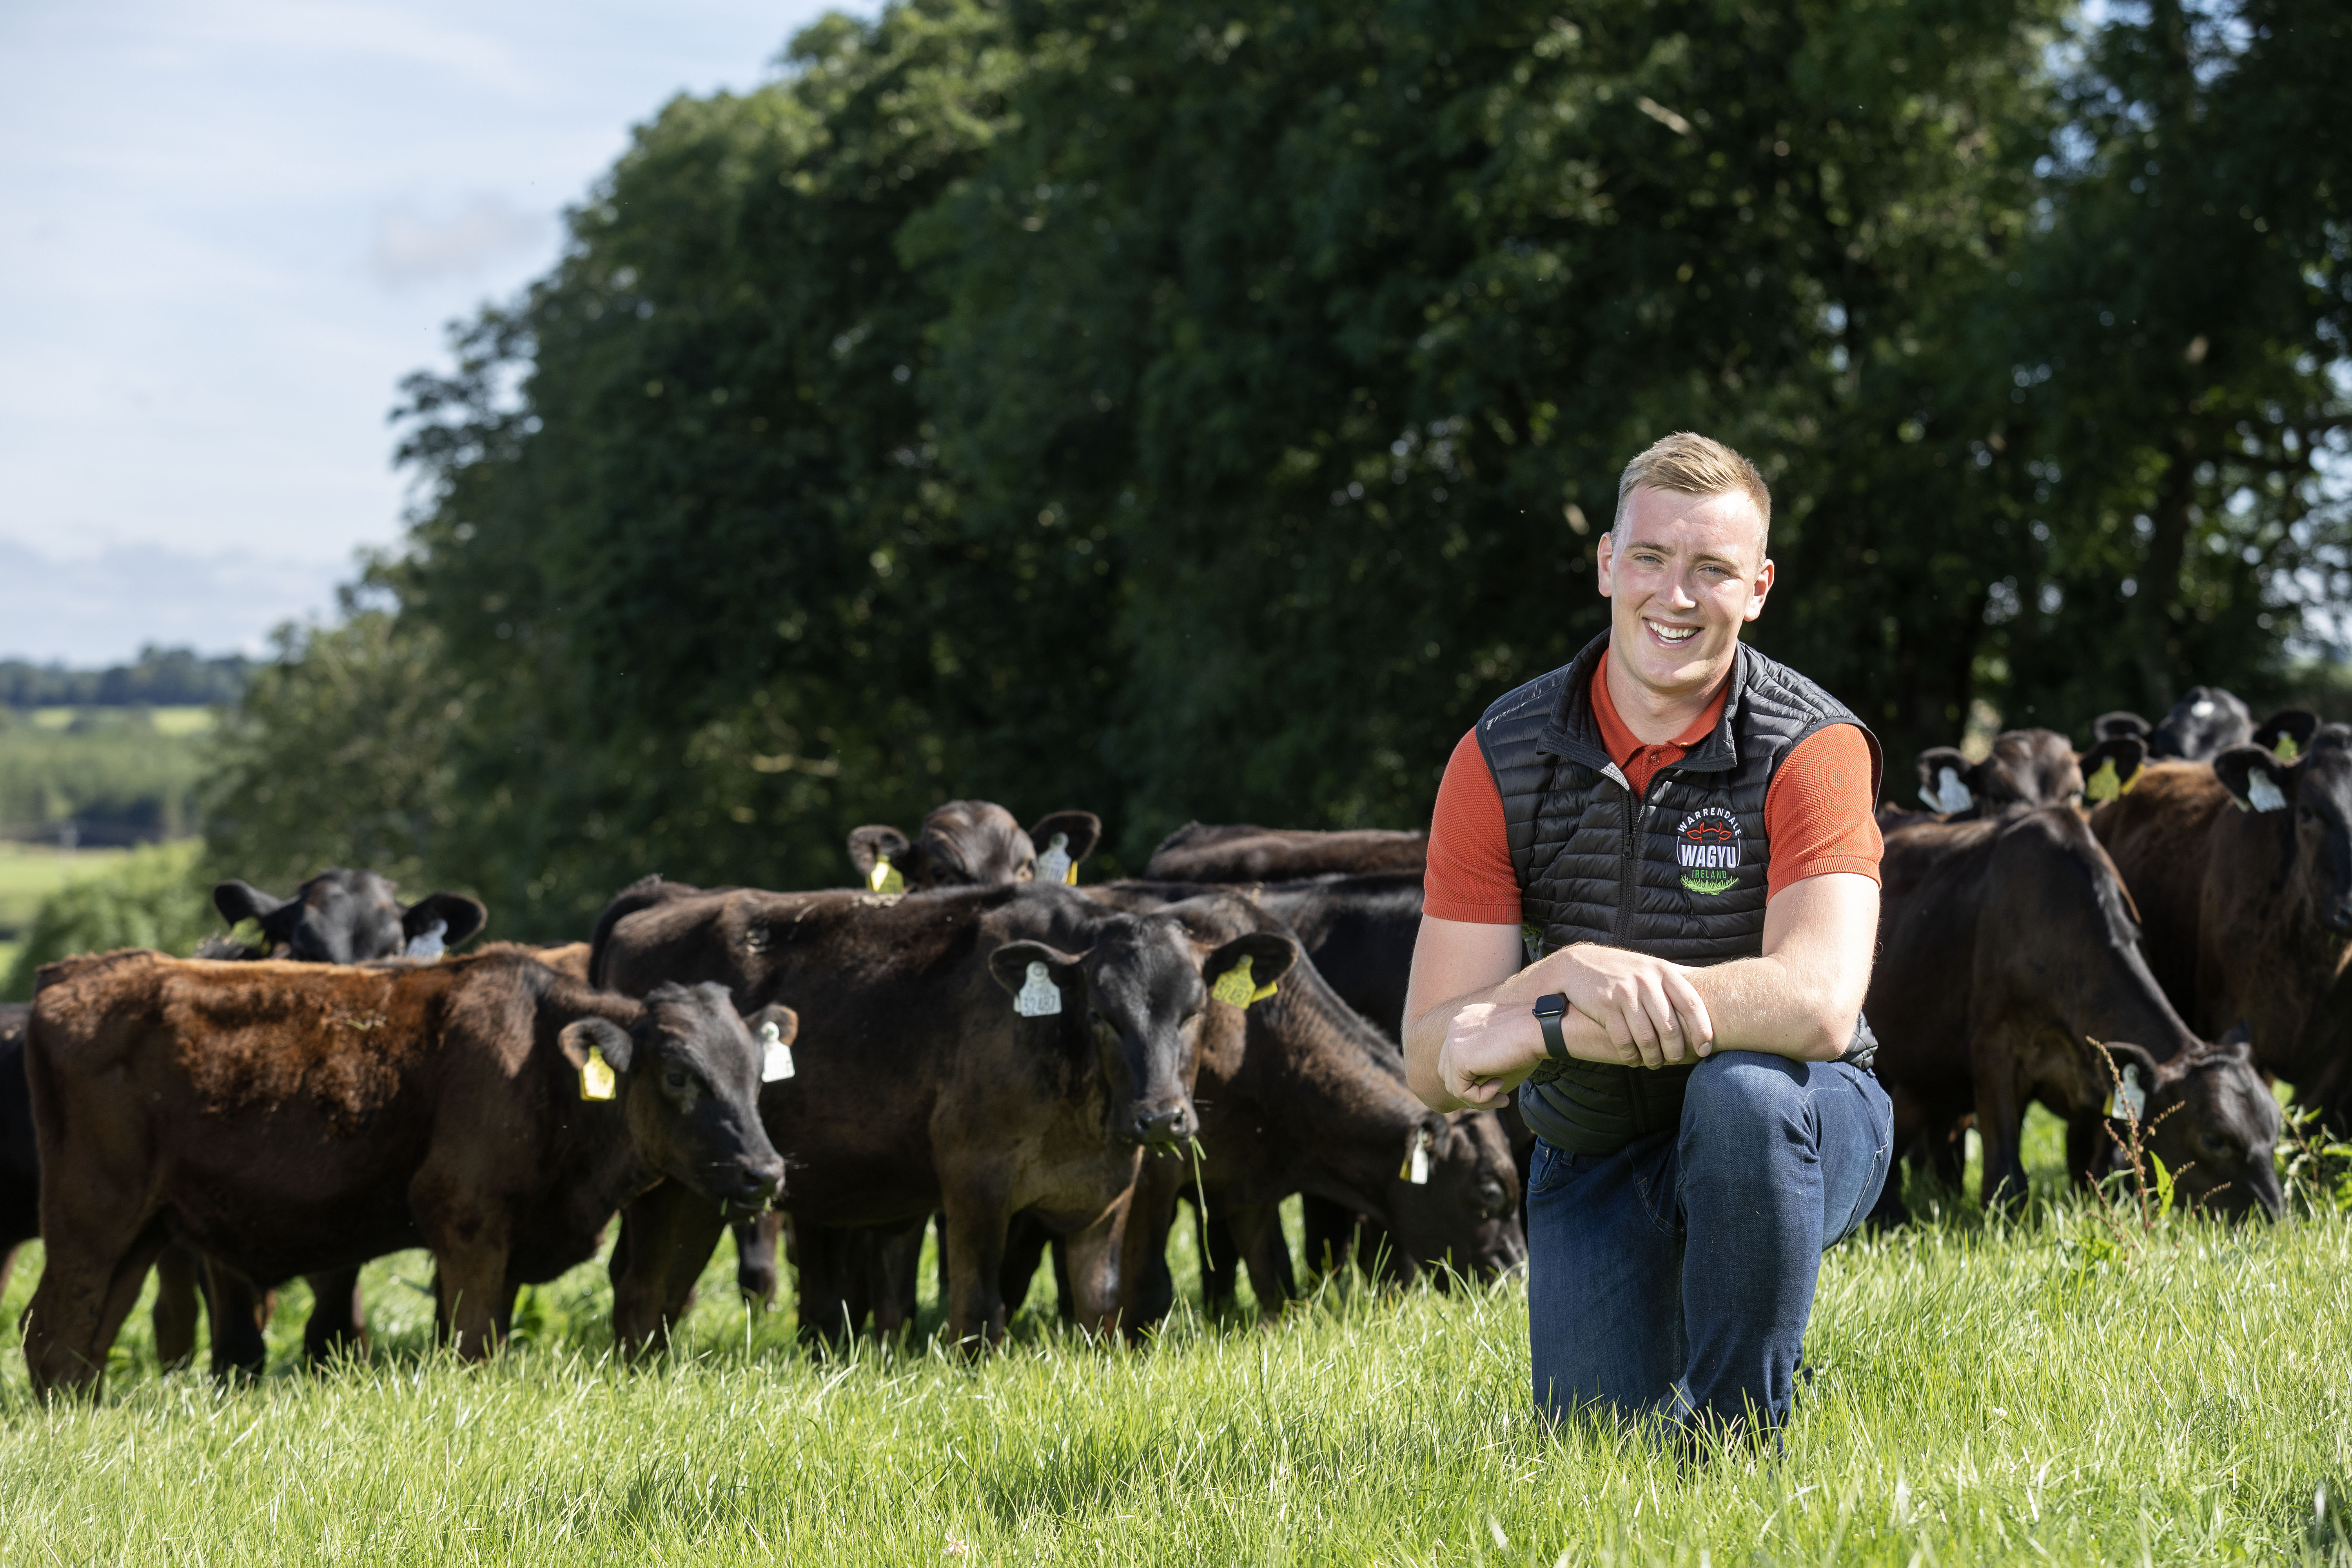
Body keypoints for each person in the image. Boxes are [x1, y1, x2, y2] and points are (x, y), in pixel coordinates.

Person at [1403, 431, 1892, 1443]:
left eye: (1713, 569)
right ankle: (1717, 1338)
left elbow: (1817, 1004)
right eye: (1652, 558)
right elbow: (1430, 1057)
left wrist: (1551, 1019)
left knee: (1742, 1094)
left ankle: (1737, 1434)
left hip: (1804, 1113)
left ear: (1758, 589)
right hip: (1596, 1145)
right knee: (1597, 1447)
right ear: (1606, 565)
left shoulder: (1814, 746)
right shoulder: (1497, 758)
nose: (1677, 595)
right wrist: (1563, 975)